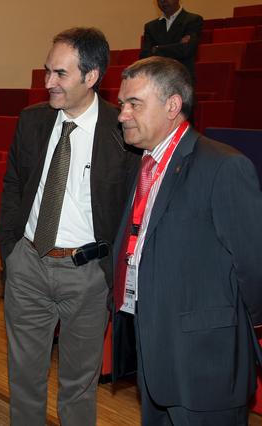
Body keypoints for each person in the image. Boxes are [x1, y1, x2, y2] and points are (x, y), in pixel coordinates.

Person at [0, 27, 139, 425]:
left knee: (79, 385)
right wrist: (11, 252)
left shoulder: (122, 129)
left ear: (91, 76)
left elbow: (132, 208)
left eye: (60, 73)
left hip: (88, 275)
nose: (48, 82)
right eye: (47, 71)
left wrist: (110, 273)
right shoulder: (32, 120)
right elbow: (13, 185)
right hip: (28, 265)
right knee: (24, 378)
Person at [113, 56, 262, 425]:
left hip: (205, 361)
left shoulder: (223, 166)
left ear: (172, 105)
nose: (122, 115)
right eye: (121, 104)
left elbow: (254, 265)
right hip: (153, 348)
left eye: (134, 104)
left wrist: (234, 333)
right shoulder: (144, 163)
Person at [140, 0, 203, 79]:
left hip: (182, 77)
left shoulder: (193, 20)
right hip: (157, 77)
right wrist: (177, 45)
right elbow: (145, 55)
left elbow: (186, 50)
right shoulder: (150, 26)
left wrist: (156, 49)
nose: (163, 1)